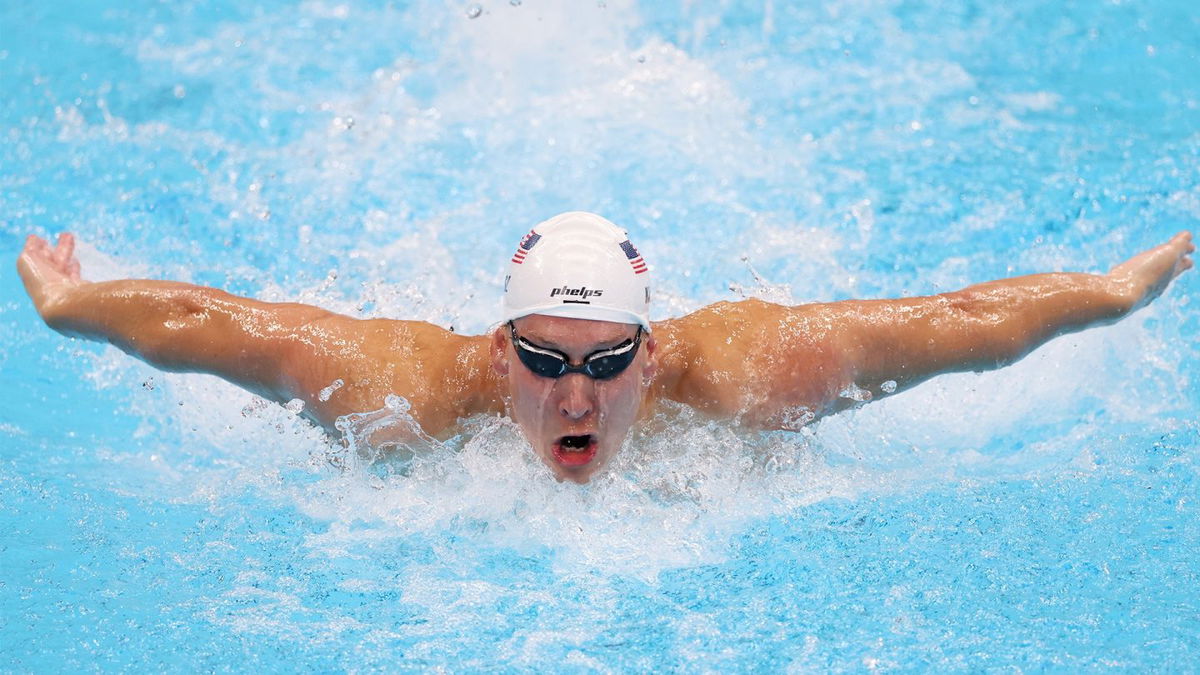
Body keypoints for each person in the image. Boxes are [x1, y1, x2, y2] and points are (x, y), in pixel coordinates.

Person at [17, 212, 1194, 483]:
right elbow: (210, 328)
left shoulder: (744, 371)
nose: (571, 395)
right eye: (542, 361)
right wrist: (76, 306)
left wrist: (1112, 289)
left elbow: (960, 329)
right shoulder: (412, 389)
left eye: (602, 364)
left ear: (652, 355)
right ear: (496, 353)